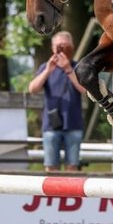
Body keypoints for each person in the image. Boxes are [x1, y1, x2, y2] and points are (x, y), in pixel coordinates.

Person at [27, 30, 86, 171]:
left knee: (72, 166)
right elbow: (32, 89)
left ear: (72, 48)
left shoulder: (78, 67)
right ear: (53, 48)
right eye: (59, 46)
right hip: (51, 124)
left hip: (73, 123)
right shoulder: (45, 67)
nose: (62, 49)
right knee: (51, 166)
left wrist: (68, 69)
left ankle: (71, 192)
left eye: (66, 46)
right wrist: (48, 71)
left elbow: (85, 90)